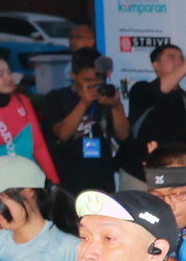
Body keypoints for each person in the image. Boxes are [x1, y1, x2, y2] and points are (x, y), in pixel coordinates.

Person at [120, 40, 186, 189]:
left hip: (176, 176)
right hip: (139, 174)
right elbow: (158, 90)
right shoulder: (141, 89)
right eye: (171, 58)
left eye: (181, 58)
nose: (178, 62)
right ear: (156, 65)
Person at [42, 47, 131, 194]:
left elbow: (123, 135)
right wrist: (83, 103)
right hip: (67, 177)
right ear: (73, 75)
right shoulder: (57, 98)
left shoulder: (105, 97)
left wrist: (116, 106)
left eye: (98, 79)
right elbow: (62, 134)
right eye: (87, 80)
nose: (94, 84)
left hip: (102, 177)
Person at [0, 55, 61, 181]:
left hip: (31, 182)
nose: (9, 78)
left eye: (9, 72)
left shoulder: (21, 101)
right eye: (1, 75)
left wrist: (54, 180)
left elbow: (39, 146)